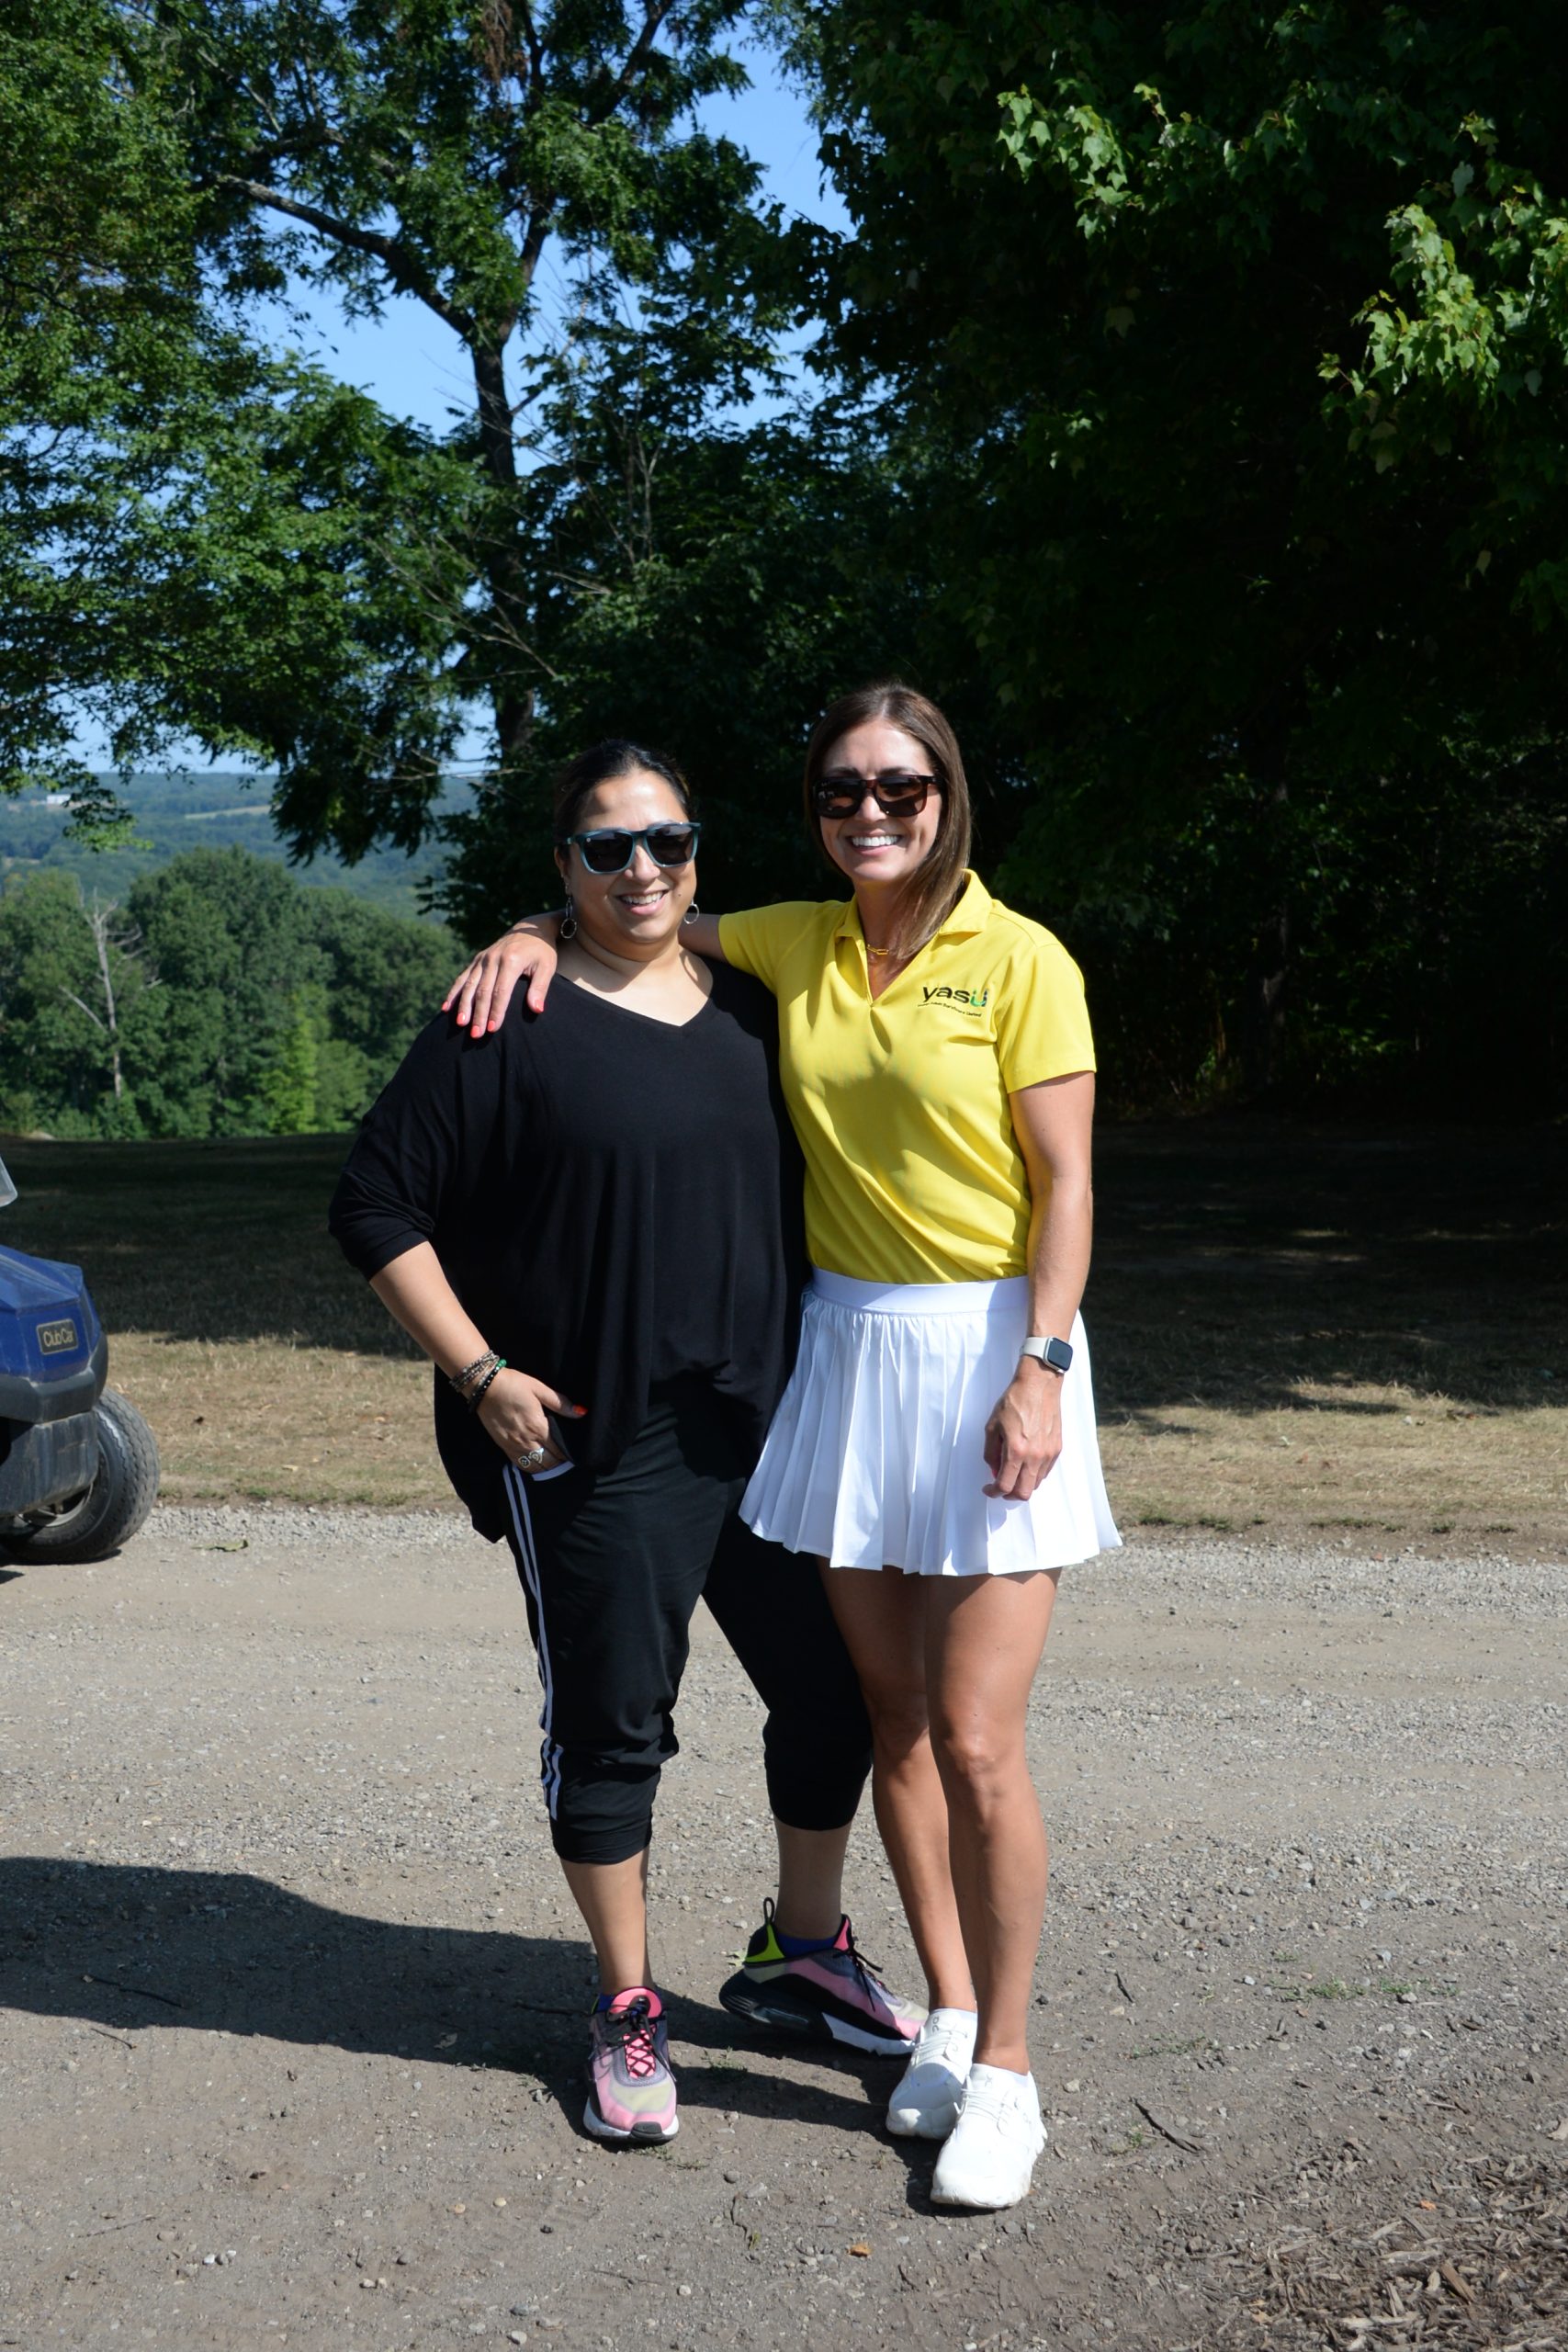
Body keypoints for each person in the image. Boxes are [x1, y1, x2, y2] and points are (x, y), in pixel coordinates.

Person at [446, 685, 1121, 2211]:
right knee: (892, 1719)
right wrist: (529, 932)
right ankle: (949, 2018)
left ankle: (1009, 2075)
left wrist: (1043, 1367)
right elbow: (636, 914)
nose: (869, 814)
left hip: (996, 1351)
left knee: (979, 1740)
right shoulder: (795, 941)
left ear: (947, 794)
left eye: (900, 789)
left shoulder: (1022, 958)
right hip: (848, 1353)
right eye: (839, 792)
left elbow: (1069, 1184)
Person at [330, 739, 922, 2152]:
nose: (643, 868)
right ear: (566, 865)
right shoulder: (505, 1018)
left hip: (770, 1427)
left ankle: (799, 1957)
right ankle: (627, 2005)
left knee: (839, 1696)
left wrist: (540, 920)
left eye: (668, 841)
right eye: (607, 848)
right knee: (614, 1730)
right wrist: (479, 1373)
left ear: (699, 852)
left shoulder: (758, 1003)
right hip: (593, 1444)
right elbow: (374, 1205)